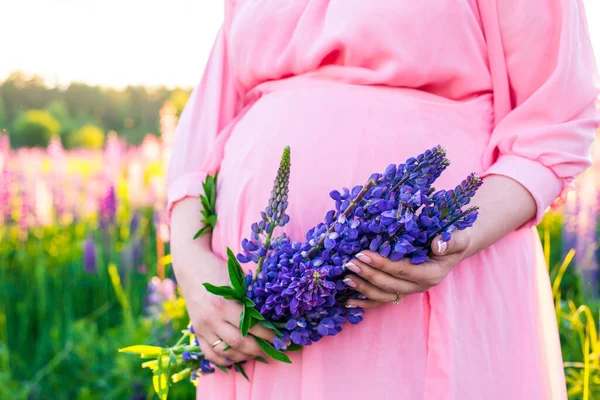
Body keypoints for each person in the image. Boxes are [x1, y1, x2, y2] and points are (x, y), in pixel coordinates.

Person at [167, 1, 600, 399]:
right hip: (255, 308)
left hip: (431, 285)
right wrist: (191, 266)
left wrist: (454, 236)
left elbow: (555, 123)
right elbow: (203, 130)